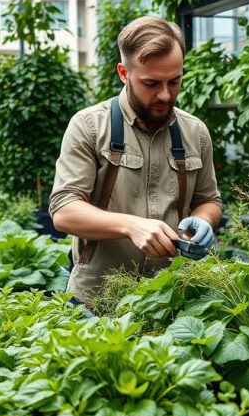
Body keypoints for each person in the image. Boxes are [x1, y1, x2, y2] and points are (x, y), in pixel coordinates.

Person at [50, 16, 222, 304]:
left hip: (172, 300)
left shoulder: (196, 133)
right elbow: (64, 211)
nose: (165, 95)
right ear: (123, 73)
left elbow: (210, 200)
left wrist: (202, 221)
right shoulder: (89, 126)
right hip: (96, 302)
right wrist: (132, 226)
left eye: (174, 81)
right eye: (151, 83)